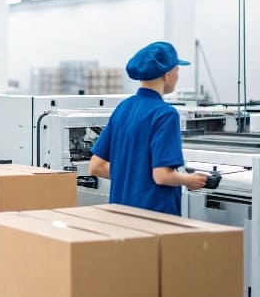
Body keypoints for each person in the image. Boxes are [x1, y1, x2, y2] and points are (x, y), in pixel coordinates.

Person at [89, 41, 207, 216]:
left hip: (121, 215)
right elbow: (162, 176)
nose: (177, 76)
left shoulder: (123, 108)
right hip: (154, 216)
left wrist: (135, 175)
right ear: (167, 74)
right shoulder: (165, 114)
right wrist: (189, 180)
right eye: (177, 70)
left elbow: (96, 166)